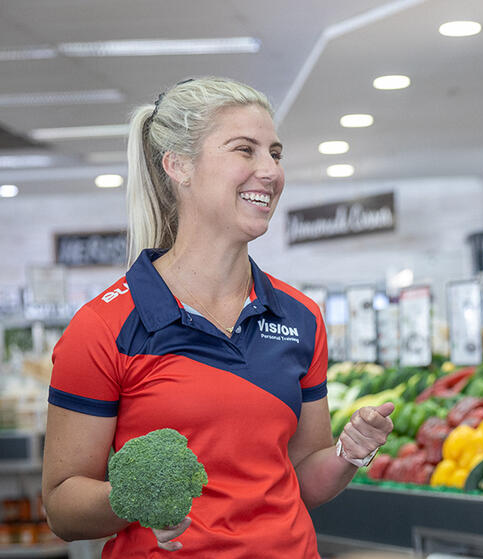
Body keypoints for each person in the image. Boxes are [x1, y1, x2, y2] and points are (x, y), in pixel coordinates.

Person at [41, 77, 394, 558]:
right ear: (178, 165)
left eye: (275, 152)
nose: (270, 170)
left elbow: (303, 479)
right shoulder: (104, 326)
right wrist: (135, 497)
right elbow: (62, 507)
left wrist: (351, 453)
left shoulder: (300, 317)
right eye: (244, 150)